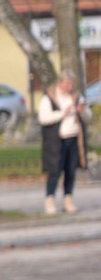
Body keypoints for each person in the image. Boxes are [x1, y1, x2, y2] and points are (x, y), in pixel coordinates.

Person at [38, 70, 92, 214]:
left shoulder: (76, 96)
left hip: (74, 139)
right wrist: (63, 112)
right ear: (60, 83)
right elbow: (44, 119)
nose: (70, 87)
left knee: (70, 171)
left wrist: (83, 110)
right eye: (67, 83)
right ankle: (50, 201)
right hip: (56, 141)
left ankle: (68, 200)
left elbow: (88, 116)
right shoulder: (48, 98)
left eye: (72, 84)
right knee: (55, 171)